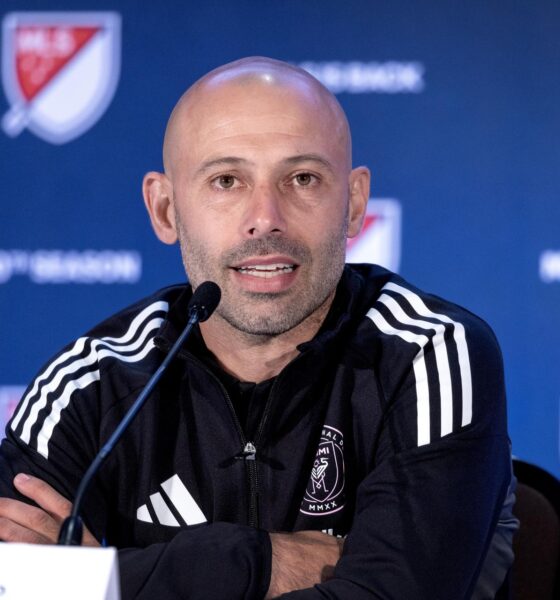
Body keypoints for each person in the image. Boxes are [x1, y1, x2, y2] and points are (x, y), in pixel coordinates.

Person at [0, 57, 516, 599]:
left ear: (354, 204)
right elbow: (11, 582)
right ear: (166, 209)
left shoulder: (430, 353)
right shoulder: (93, 380)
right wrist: (252, 561)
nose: (266, 217)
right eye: (227, 180)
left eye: (303, 179)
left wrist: (100, 584)